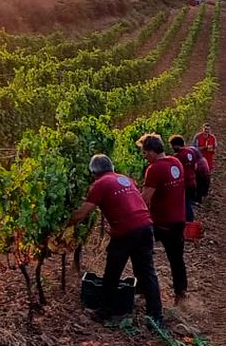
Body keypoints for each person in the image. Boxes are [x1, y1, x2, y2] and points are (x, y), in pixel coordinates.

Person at [68, 154, 163, 326]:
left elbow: (83, 213)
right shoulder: (124, 178)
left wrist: (65, 224)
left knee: (112, 272)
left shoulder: (100, 184)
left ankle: (104, 312)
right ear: (111, 168)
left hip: (126, 230)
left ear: (94, 173)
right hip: (146, 226)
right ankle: (155, 316)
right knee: (147, 272)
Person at [138, 133, 188, 305]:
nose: (144, 157)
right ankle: (181, 294)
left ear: (151, 151)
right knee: (176, 259)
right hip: (179, 219)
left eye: (145, 153)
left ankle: (144, 289)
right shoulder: (177, 162)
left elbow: (145, 199)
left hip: (160, 222)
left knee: (140, 252)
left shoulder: (154, 169)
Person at [169, 134, 201, 217]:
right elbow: (195, 167)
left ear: (175, 145)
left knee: (185, 205)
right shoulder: (191, 152)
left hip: (184, 184)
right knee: (189, 203)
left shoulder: (177, 157)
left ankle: (189, 224)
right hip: (193, 182)